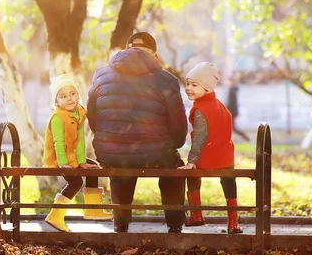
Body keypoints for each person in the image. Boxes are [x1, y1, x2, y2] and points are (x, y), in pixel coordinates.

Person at [87, 32, 188, 233]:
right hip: (156, 155)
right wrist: (174, 145)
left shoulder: (101, 74)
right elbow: (178, 124)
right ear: (154, 54)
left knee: (119, 162)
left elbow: (93, 117)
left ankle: (121, 224)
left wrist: (109, 141)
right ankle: (175, 225)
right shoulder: (165, 79)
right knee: (174, 169)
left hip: (112, 153)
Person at [179, 62, 243, 234]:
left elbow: (199, 137)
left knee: (191, 176)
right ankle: (233, 223)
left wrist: (192, 161)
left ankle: (196, 215)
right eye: (187, 84)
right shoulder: (221, 106)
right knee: (229, 180)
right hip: (226, 157)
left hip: (208, 158)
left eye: (194, 85)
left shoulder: (200, 109)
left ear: (207, 88)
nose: (188, 88)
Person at [43, 74, 112, 232]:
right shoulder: (57, 117)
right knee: (76, 182)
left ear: (78, 94)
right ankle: (55, 215)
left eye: (72, 93)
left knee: (92, 167)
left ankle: (92, 209)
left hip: (71, 156)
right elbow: (58, 142)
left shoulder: (79, 113)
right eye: (63, 96)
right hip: (58, 157)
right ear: (56, 101)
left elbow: (80, 140)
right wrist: (62, 162)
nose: (69, 99)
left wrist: (82, 162)